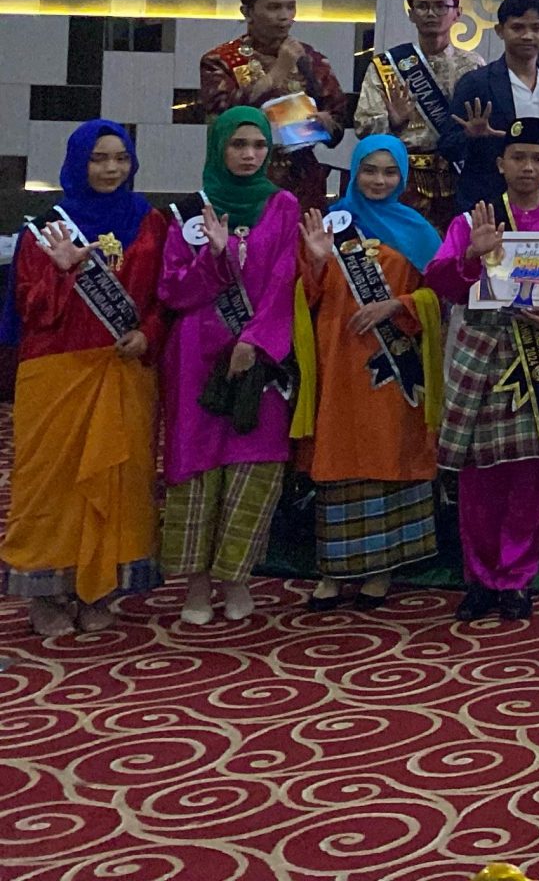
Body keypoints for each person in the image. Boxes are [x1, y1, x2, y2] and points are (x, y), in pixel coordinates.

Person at [423, 116, 539, 621]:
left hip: (537, 357)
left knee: (529, 473)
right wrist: (472, 256)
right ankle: (480, 578)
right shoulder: (473, 220)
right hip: (482, 354)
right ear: (500, 164)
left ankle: (516, 578)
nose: (527, 167)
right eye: (518, 157)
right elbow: (439, 281)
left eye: (537, 158)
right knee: (478, 474)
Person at [1, 122, 165, 635]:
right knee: (50, 486)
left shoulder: (150, 222)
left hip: (124, 369)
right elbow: (30, 309)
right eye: (98, 159)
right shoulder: (47, 229)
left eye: (120, 158)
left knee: (120, 485)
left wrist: (148, 334)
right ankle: (46, 592)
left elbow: (165, 297)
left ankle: (100, 588)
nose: (111, 168)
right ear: (77, 162)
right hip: (57, 372)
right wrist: (62, 271)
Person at [159, 108, 303, 625]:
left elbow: (285, 279)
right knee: (196, 464)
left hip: (260, 356)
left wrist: (256, 342)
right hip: (195, 355)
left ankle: (236, 577)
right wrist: (214, 258)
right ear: (218, 147)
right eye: (238, 145)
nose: (249, 155)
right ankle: (196, 584)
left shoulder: (283, 205)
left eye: (258, 146)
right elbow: (172, 290)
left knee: (253, 460)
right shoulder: (188, 212)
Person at [292, 135, 444, 608]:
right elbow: (304, 297)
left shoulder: (419, 231)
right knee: (338, 455)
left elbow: (440, 297)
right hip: (338, 363)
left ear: (403, 176)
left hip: (394, 370)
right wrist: (316, 262)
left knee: (389, 454)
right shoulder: (331, 226)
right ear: (354, 172)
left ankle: (381, 571)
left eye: (389, 171)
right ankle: (333, 571)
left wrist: (397, 305)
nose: (379, 180)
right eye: (370, 170)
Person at [197, 0, 349, 209]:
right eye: (274, 7)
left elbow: (338, 123)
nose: (284, 16)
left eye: (290, 7)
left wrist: (326, 124)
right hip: (241, 180)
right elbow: (221, 119)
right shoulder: (221, 61)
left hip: (301, 182)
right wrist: (277, 73)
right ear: (247, 12)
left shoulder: (311, 59)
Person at [350, 0, 475, 228]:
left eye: (441, 6)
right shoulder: (387, 65)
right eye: (422, 6)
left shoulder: (474, 66)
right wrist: (394, 122)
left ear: (457, 13)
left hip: (458, 178)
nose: (431, 13)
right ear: (410, 13)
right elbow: (363, 125)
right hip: (403, 179)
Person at [445, 0, 539, 218]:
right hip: (486, 203)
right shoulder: (476, 83)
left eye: (536, 28)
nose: (528, 36)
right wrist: (471, 135)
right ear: (500, 31)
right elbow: (447, 146)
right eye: (518, 28)